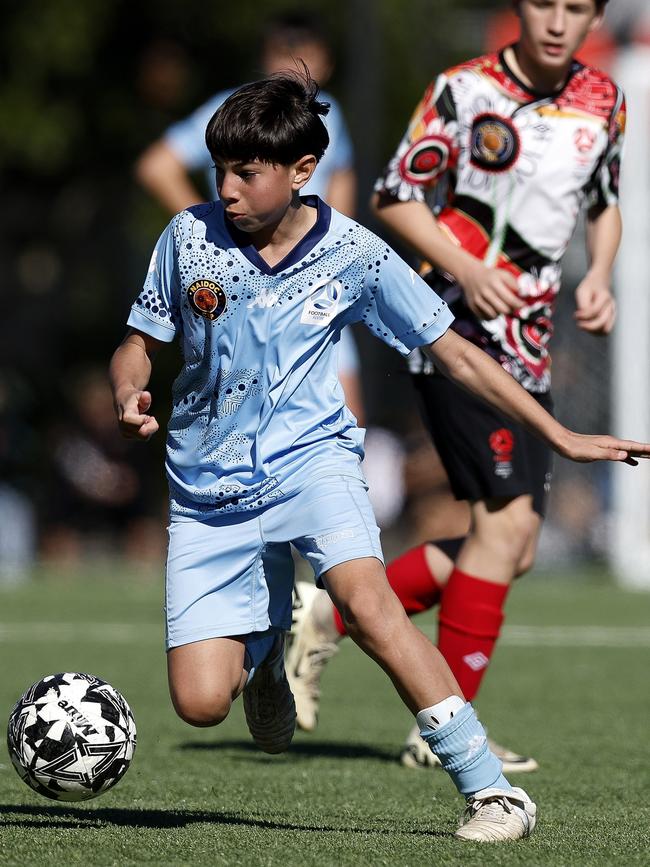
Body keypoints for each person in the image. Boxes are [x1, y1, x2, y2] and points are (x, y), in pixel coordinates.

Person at [109, 71, 647, 843]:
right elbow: (137, 343)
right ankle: (267, 652)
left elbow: (455, 354)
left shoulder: (354, 253)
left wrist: (559, 435)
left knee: (369, 602)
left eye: (244, 173)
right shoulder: (188, 238)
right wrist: (130, 393)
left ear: (302, 173)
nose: (224, 188)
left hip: (313, 463)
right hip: (206, 486)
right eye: (218, 170)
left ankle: (492, 793)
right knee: (200, 702)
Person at [285, 0, 626, 773]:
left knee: (513, 545)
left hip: (529, 346)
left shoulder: (603, 100)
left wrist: (600, 275)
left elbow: (604, 203)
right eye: (544, 2)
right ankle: (442, 726)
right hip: (456, 334)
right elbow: (392, 196)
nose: (556, 21)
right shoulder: (463, 92)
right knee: (504, 530)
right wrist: (469, 269)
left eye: (577, 9)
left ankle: (332, 616)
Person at [135, 11, 363, 423]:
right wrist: (207, 229)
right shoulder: (234, 110)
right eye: (283, 52)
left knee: (346, 413)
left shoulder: (330, 114)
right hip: (244, 279)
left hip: (314, 282)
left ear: (325, 62)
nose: (293, 64)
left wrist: (338, 251)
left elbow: (343, 175)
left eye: (304, 53)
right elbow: (158, 165)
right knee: (243, 411)